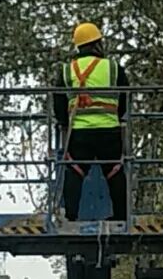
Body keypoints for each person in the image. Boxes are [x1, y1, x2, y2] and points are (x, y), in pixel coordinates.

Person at [52, 22, 131, 221]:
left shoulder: (66, 71)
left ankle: (71, 216)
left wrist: (63, 123)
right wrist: (117, 116)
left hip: (78, 132)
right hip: (109, 129)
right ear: (97, 44)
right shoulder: (113, 68)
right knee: (115, 171)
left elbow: (58, 101)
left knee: (75, 170)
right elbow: (125, 98)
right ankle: (121, 216)